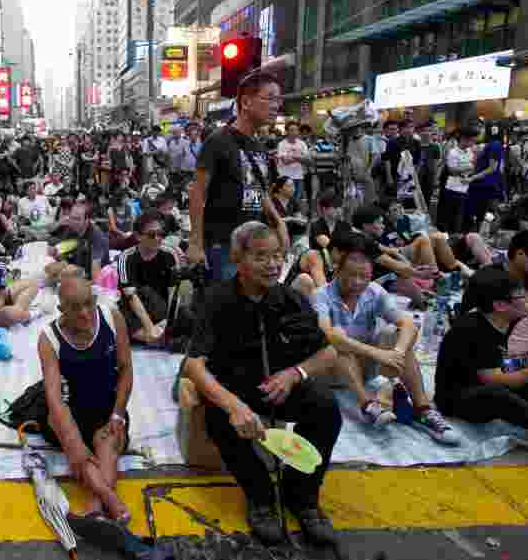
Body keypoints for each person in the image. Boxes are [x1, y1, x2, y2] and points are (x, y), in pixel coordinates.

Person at [182, 221, 340, 546]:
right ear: (238, 260)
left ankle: (302, 495)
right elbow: (193, 365)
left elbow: (328, 354)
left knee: (326, 408)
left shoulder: (292, 299)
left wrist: (295, 373)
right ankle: (261, 498)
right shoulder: (217, 300)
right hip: (236, 390)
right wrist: (234, 405)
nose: (272, 264)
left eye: (277, 256)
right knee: (218, 418)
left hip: (280, 387)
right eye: (261, 257)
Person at [312, 233, 459, 444]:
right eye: (351, 275)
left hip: (366, 367)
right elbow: (328, 334)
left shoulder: (374, 292)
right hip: (332, 371)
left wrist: (396, 353)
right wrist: (379, 353)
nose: (358, 282)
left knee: (397, 333)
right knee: (337, 340)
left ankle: (423, 409)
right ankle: (367, 404)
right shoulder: (321, 295)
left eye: (364, 276)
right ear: (337, 271)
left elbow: (408, 324)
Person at [435, 266, 528, 454]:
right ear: (499, 305)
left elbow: (514, 366)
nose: (527, 299)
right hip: (462, 396)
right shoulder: (470, 330)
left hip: (499, 373)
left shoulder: (508, 318)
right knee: (501, 396)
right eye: (521, 296)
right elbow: (500, 379)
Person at [39, 277, 132, 522]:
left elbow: (126, 370)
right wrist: (73, 441)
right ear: (61, 310)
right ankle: (107, 497)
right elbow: (55, 399)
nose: (84, 313)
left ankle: (95, 505)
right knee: (72, 444)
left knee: (108, 441)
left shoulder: (113, 318)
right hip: (70, 411)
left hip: (106, 407)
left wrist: (118, 413)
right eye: (75, 307)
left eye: (88, 304)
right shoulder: (49, 338)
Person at [188, 72, 288, 280]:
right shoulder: (218, 140)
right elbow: (197, 192)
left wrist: (279, 222)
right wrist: (196, 244)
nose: (276, 105)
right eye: (270, 98)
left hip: (255, 244)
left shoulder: (259, 146)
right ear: (246, 101)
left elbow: (259, 189)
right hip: (224, 245)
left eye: (278, 99)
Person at [116, 211, 179, 345]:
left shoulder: (170, 254)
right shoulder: (126, 257)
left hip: (160, 310)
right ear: (138, 236)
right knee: (118, 310)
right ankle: (154, 338)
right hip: (135, 310)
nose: (158, 238)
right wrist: (150, 328)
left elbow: (174, 293)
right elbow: (131, 297)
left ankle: (156, 336)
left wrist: (167, 322)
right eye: (151, 235)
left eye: (161, 234)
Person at [46, 202, 110, 282]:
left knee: (63, 276)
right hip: (78, 267)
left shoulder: (96, 236)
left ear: (87, 220)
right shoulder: (70, 229)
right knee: (50, 269)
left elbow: (96, 276)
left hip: (92, 275)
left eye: (77, 219)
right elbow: (63, 257)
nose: (73, 222)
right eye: (72, 218)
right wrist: (55, 254)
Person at [276, 122, 309, 206]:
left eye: (296, 130)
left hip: (298, 177)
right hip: (285, 177)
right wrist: (299, 157)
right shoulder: (281, 144)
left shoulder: (302, 144)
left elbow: (307, 160)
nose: (294, 132)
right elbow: (285, 161)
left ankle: (293, 217)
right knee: (285, 202)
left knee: (296, 201)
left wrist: (292, 157)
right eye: (291, 130)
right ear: (287, 131)